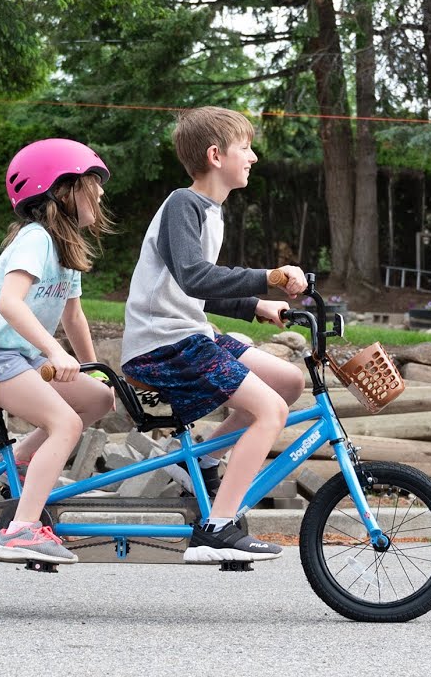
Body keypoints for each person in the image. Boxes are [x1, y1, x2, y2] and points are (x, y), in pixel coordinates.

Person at [120, 106, 307, 563]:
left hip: (188, 334)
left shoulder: (211, 212)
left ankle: (198, 461)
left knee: (289, 383)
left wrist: (255, 306)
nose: (254, 157)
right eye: (245, 147)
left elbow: (195, 289)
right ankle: (217, 528)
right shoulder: (183, 205)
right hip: (163, 344)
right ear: (216, 154)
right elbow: (194, 277)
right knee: (269, 411)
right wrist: (271, 277)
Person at [0, 138, 116, 564]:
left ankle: (21, 459)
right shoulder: (35, 238)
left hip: (19, 356)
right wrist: (55, 354)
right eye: (91, 181)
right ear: (61, 188)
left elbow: (73, 317)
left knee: (99, 398)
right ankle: (21, 531)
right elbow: (9, 303)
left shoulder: (65, 247)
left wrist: (92, 368)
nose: (99, 190)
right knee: (64, 424)